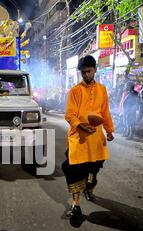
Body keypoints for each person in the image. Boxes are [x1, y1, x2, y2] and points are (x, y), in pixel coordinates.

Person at [61, 55, 115, 218]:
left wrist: (109, 130)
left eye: (89, 72)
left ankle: (89, 187)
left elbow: (105, 112)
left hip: (96, 139)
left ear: (95, 70)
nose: (86, 75)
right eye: (83, 73)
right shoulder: (75, 91)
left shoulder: (102, 89)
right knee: (73, 171)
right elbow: (69, 115)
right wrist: (80, 125)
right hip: (78, 139)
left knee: (94, 170)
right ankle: (75, 204)